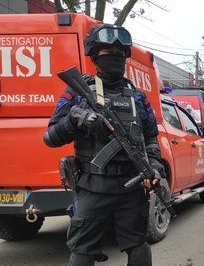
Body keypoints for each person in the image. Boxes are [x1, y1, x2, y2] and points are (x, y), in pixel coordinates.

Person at [43, 24, 162, 266]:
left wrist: (155, 168)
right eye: (108, 54)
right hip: (93, 187)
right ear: (95, 56)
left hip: (132, 187)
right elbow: (51, 138)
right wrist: (78, 119)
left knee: (138, 246)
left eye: (120, 55)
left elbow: (151, 137)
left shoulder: (137, 97)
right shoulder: (78, 91)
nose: (115, 60)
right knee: (83, 251)